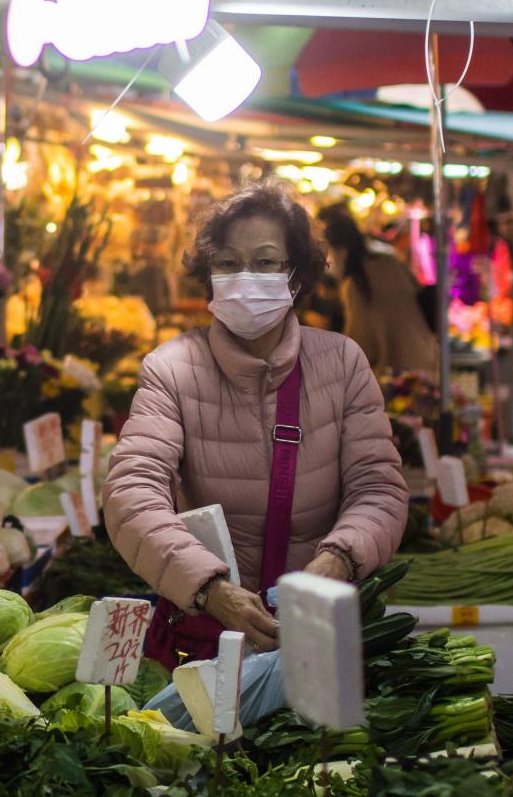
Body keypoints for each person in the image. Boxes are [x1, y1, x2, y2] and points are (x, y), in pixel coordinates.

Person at [107, 182, 409, 664]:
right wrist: (210, 588)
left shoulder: (343, 362)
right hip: (210, 638)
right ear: (208, 275)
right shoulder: (170, 369)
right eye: (227, 263)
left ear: (295, 275)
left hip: (319, 632)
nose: (245, 276)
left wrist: (340, 556)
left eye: (266, 262)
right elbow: (131, 494)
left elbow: (379, 487)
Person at [320, 203, 436, 376]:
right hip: (427, 359)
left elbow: (360, 342)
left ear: (341, 252)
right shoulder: (390, 263)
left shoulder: (355, 284)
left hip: (399, 374)